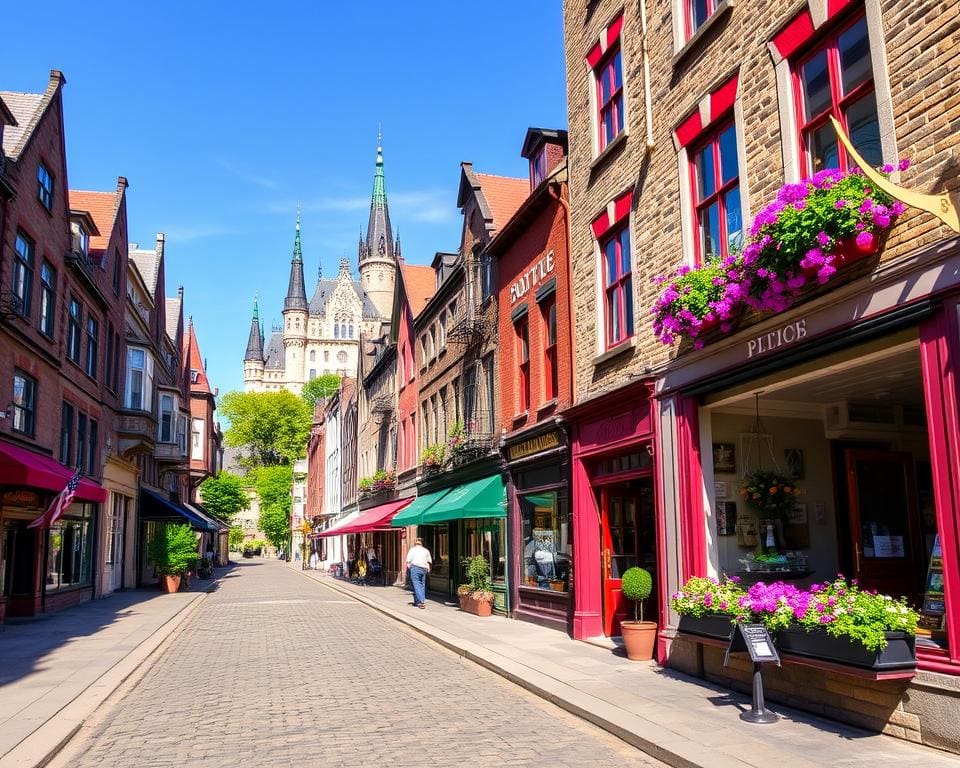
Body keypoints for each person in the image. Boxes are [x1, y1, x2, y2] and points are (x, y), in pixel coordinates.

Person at [405, 537, 432, 609]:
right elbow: (429, 561)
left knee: (416, 584)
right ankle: (420, 601)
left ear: (415, 543)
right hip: (424, 568)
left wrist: (410, 568)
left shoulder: (412, 550)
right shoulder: (426, 550)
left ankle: (421, 602)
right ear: (422, 543)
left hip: (415, 567)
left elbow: (408, 561)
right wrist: (428, 568)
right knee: (422, 585)